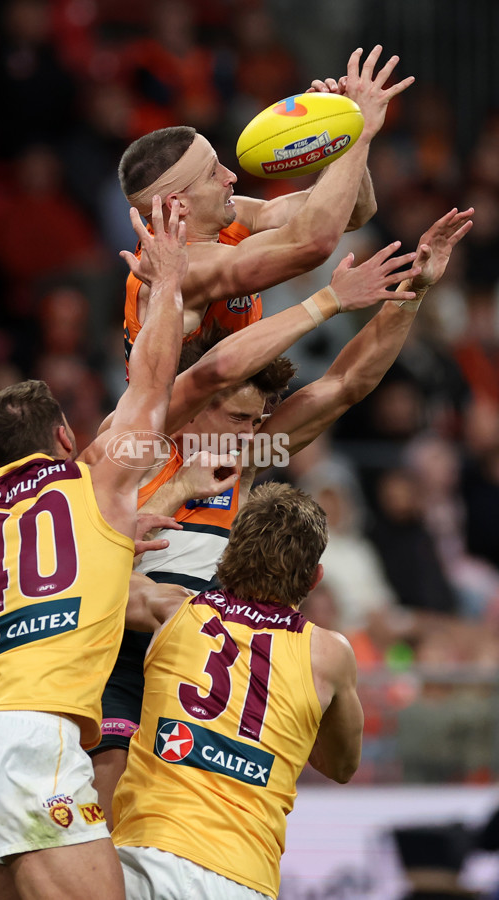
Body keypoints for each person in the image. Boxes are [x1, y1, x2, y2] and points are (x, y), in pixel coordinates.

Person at [92, 207, 474, 825]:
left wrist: (414, 291)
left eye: (256, 421)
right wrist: (327, 299)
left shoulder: (245, 458)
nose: (250, 434)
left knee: (176, 829)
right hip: (119, 652)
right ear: (197, 404)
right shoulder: (137, 444)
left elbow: (345, 385)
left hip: (199, 662)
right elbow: (95, 550)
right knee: (106, 819)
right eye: (237, 418)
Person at [0, 196, 187, 900]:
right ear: (66, 436)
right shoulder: (95, 483)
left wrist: (109, 542)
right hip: (30, 739)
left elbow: (33, 573)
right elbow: (152, 385)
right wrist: (167, 281)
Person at [111, 481, 365, 900]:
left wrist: (140, 522)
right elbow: (342, 766)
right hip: (244, 876)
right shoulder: (329, 654)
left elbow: (87, 577)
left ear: (228, 553)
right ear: (315, 578)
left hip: (147, 855)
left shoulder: (171, 610)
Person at [119, 45, 415, 360]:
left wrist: (333, 131)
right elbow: (313, 242)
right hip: (194, 394)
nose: (231, 176)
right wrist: (360, 130)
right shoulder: (175, 270)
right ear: (179, 204)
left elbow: (354, 212)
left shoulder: (232, 217)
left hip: (238, 388)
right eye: (212, 174)